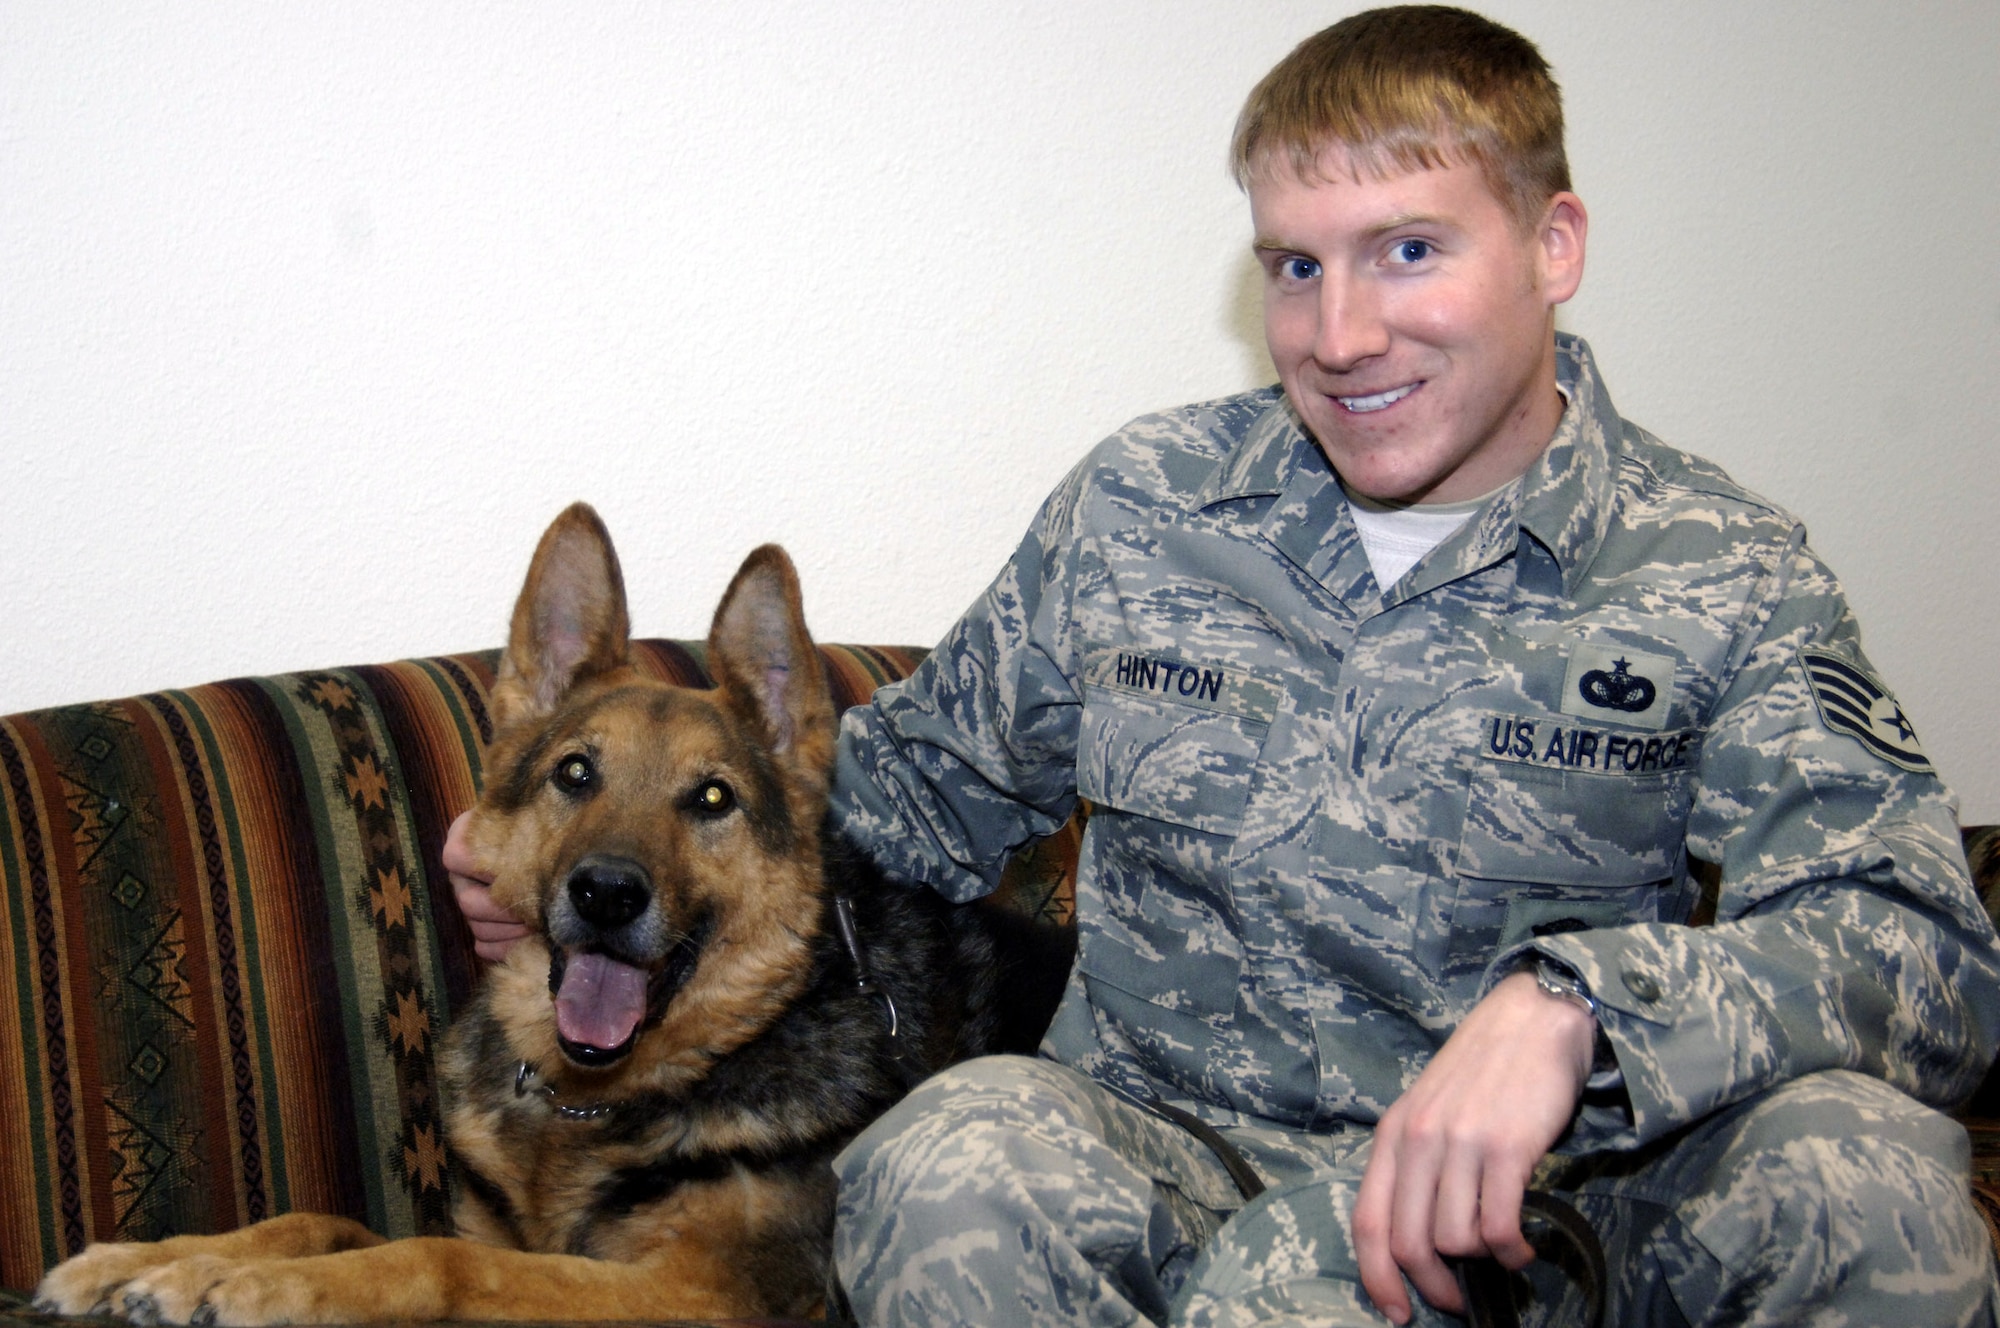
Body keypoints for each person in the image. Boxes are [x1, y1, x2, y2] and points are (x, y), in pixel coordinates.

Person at [447, 7, 2000, 1324]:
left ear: (1553, 242)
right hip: (1183, 1161)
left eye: (1407, 250)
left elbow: (1927, 952)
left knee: (1870, 1171)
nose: (1341, 332)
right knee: (955, 1152)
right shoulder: (1142, 509)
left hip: (1579, 1193)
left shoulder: (1722, 566)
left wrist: (1577, 1010)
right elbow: (883, 800)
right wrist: (558, 841)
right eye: (1294, 267)